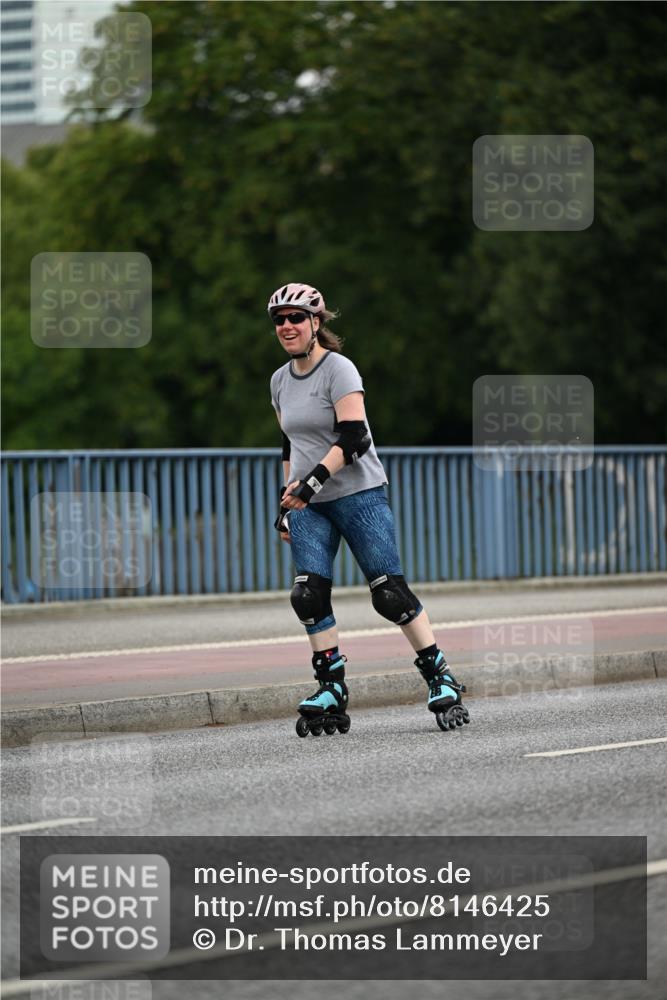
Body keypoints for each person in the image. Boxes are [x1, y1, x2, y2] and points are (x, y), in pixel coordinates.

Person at [268, 282, 468, 735]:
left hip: (358, 494)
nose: (286, 326)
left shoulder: (339, 369)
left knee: (389, 594)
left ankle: (440, 677)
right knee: (307, 594)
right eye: (279, 319)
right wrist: (287, 500)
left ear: (316, 323)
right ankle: (331, 687)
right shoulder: (279, 381)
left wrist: (312, 483)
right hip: (309, 506)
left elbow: (354, 437)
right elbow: (290, 443)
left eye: (296, 317)